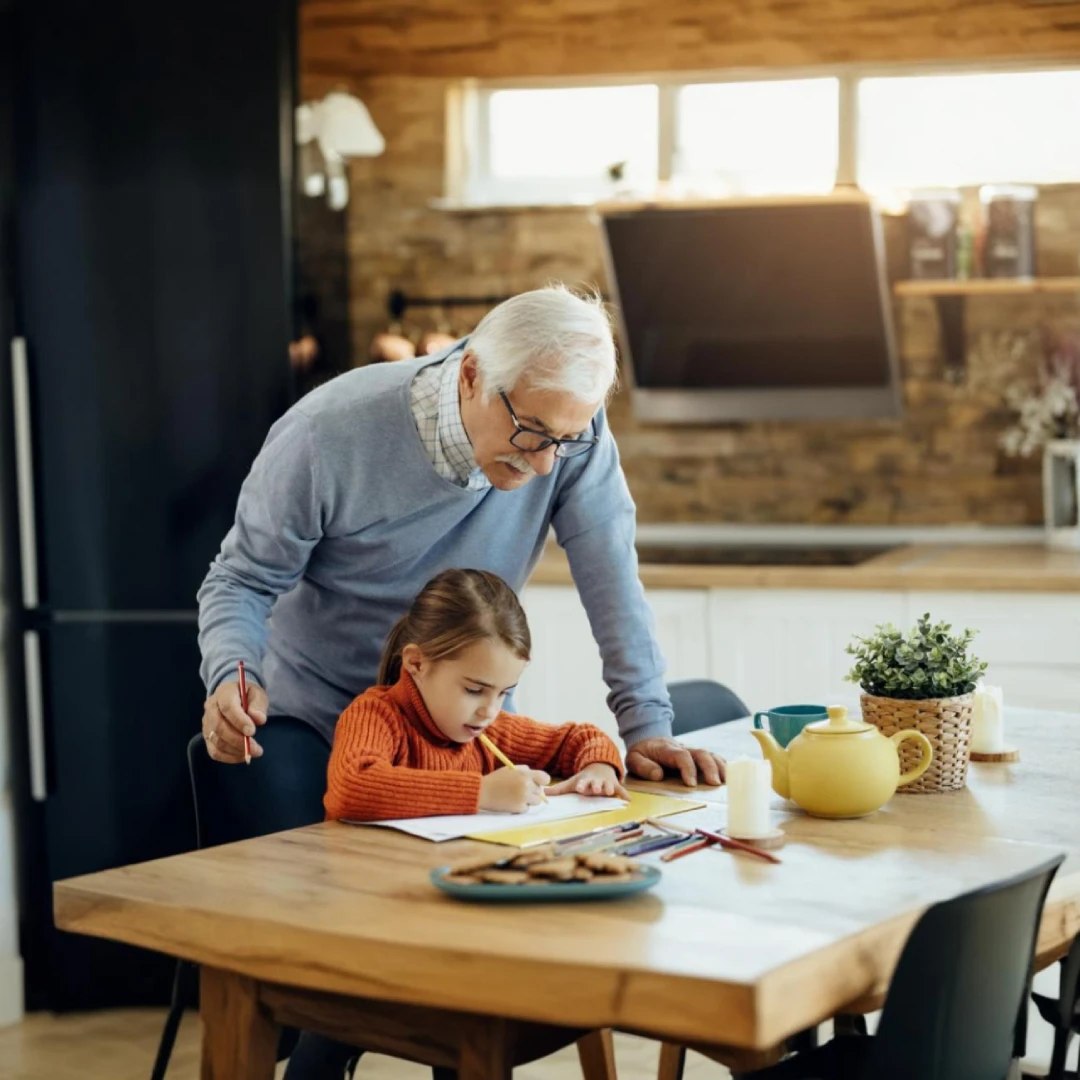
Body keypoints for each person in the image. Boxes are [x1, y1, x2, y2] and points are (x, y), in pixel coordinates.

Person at [198, 283, 725, 783]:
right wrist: (233, 677)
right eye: (532, 432)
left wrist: (647, 728)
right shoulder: (325, 434)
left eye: (565, 440)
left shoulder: (567, 429)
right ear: (472, 375)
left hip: (470, 738)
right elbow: (242, 580)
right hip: (322, 734)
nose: (545, 465)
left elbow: (612, 580)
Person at [325, 567, 627, 822]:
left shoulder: (489, 731)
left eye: (503, 693)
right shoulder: (375, 715)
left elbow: (581, 738)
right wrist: (482, 792)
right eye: (474, 690)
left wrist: (597, 769)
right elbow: (352, 788)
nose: (490, 710)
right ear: (416, 662)